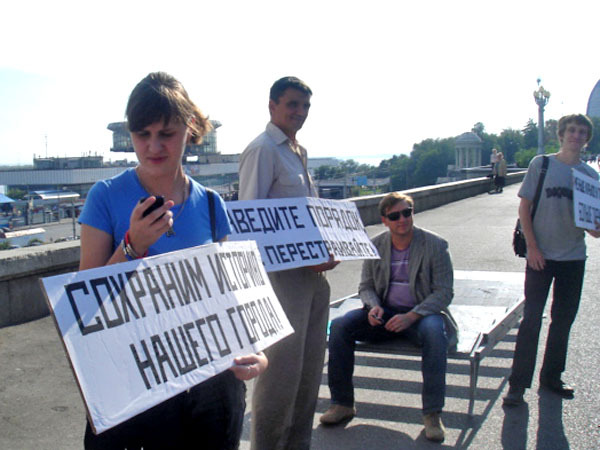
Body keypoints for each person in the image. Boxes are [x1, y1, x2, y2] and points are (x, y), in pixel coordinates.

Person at [78, 72, 267, 450]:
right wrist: (132, 246)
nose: (153, 146)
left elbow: (230, 296)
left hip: (209, 386)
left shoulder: (211, 204)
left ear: (189, 128)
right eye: (142, 134)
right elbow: (85, 304)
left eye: (166, 133)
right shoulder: (105, 196)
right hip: (131, 384)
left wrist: (257, 353)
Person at [238, 76, 338, 450]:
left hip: (314, 277)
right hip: (282, 280)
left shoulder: (298, 151)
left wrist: (326, 247)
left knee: (309, 372)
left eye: (305, 106)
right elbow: (249, 223)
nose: (300, 112)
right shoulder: (262, 150)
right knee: (280, 375)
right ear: (272, 106)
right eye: (292, 104)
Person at [320, 192, 457, 443]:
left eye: (407, 213)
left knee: (435, 333)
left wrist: (412, 316)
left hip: (421, 314)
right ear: (384, 220)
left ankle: (432, 414)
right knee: (339, 326)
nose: (402, 219)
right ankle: (342, 403)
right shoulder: (375, 245)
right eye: (395, 216)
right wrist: (373, 307)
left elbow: (444, 293)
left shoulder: (435, 245)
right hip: (385, 313)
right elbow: (366, 286)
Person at [503, 114, 600, 407]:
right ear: (561, 134)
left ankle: (552, 377)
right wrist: (532, 248)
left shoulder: (590, 176)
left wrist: (596, 226)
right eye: (571, 130)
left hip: (573, 257)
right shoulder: (542, 164)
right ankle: (517, 385)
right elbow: (524, 208)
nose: (576, 136)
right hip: (540, 257)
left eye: (582, 132)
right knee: (531, 320)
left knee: (562, 321)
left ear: (587, 139)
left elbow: (593, 228)